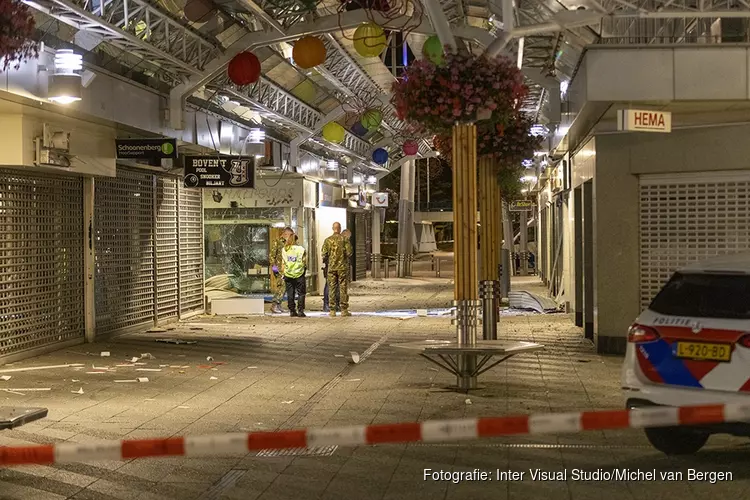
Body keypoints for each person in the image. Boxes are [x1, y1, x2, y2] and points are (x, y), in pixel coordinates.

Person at [321, 222, 352, 317]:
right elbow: (349, 253)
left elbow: (324, 254)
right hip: (342, 268)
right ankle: (343, 310)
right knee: (343, 288)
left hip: (331, 268)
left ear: (332, 228)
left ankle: (332, 310)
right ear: (340, 228)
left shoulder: (327, 240)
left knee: (332, 287)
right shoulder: (345, 239)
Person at [281, 231, 307, 317]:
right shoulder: (301, 249)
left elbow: (283, 263)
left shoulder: (284, 250)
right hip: (299, 273)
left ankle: (292, 310)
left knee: (290, 293)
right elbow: (304, 261)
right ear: (296, 240)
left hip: (288, 274)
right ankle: (300, 310)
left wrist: (283, 272)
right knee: (301, 293)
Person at [269, 227, 293, 314]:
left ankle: (279, 305)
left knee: (284, 287)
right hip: (279, 269)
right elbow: (272, 256)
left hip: (287, 268)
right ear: (286, 234)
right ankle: (274, 305)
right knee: (281, 287)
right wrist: (274, 268)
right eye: (290, 235)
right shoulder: (277, 242)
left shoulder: (288, 243)